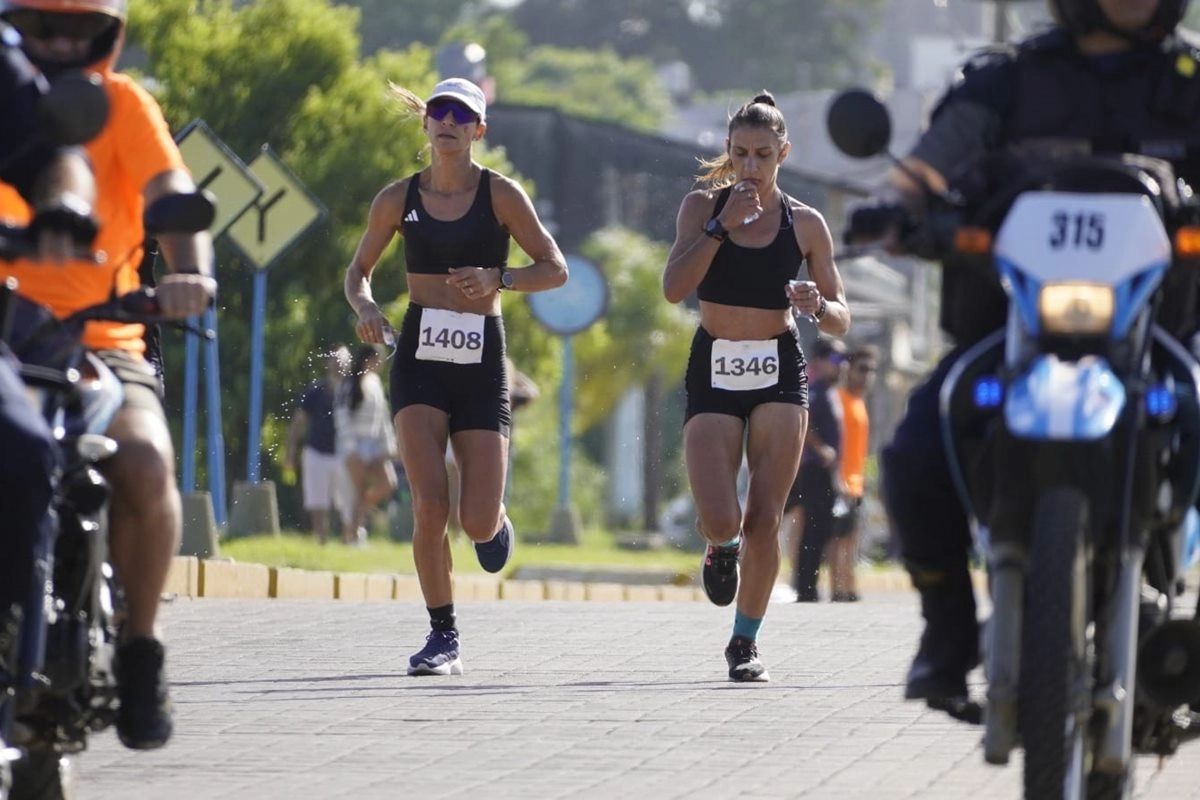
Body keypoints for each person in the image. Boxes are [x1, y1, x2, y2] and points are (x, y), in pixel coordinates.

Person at [847, 0, 1200, 721]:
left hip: (1160, 327)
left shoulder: (1191, 80)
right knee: (917, 445)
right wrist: (892, 204)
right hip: (1019, 324)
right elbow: (927, 165)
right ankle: (947, 636)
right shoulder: (1009, 80)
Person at [0, 0, 216, 749]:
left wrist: (191, 275)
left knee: (147, 460)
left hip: (103, 337)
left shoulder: (124, 105)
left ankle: (139, 648)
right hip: (5, 335)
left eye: (78, 30)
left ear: (110, 37)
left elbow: (170, 201)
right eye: (40, 27)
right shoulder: (8, 95)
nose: (60, 44)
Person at [344, 77, 567, 676]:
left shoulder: (501, 195)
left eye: (461, 115)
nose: (447, 121)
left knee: (475, 521)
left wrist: (502, 279)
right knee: (427, 505)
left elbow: (555, 269)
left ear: (478, 130)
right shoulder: (397, 198)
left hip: (481, 358)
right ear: (427, 123)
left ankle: (494, 522)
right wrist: (366, 308)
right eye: (438, 111)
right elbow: (358, 272)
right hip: (420, 355)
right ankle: (443, 635)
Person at [663, 91, 850, 682]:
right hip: (715, 364)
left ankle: (744, 643)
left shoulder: (806, 223)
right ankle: (720, 549)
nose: (750, 166)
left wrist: (818, 304)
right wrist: (721, 228)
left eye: (762, 155)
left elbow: (842, 313)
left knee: (765, 518)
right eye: (740, 153)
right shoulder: (701, 209)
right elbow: (674, 288)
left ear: (783, 154)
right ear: (727, 152)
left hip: (778, 366)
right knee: (723, 519)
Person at [786, 336, 846, 603]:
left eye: (844, 360)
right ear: (819, 362)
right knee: (812, 529)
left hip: (824, 472)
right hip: (812, 470)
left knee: (821, 530)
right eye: (836, 360)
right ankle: (805, 587)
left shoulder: (828, 390)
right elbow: (803, 418)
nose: (841, 366)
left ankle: (808, 585)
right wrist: (821, 448)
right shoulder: (814, 389)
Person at [284, 346, 350, 545]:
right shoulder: (315, 391)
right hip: (317, 451)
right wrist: (291, 450)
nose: (337, 365)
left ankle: (348, 538)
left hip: (344, 453)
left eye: (341, 362)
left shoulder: (352, 391)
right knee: (317, 499)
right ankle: (321, 539)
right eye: (334, 361)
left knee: (346, 500)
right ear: (327, 363)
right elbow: (299, 421)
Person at [828, 344, 878, 603]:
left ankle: (848, 585)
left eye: (871, 370)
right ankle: (838, 588)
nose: (867, 375)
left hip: (857, 481)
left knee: (851, 539)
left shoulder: (859, 402)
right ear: (850, 370)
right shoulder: (839, 399)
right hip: (842, 481)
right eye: (862, 369)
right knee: (838, 538)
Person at [334, 344, 397, 545]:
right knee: (358, 490)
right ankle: (353, 534)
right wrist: (352, 449)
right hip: (353, 446)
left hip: (373, 446)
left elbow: (383, 418)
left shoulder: (376, 382)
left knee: (387, 484)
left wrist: (388, 448)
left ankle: (352, 528)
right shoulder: (349, 383)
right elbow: (342, 417)